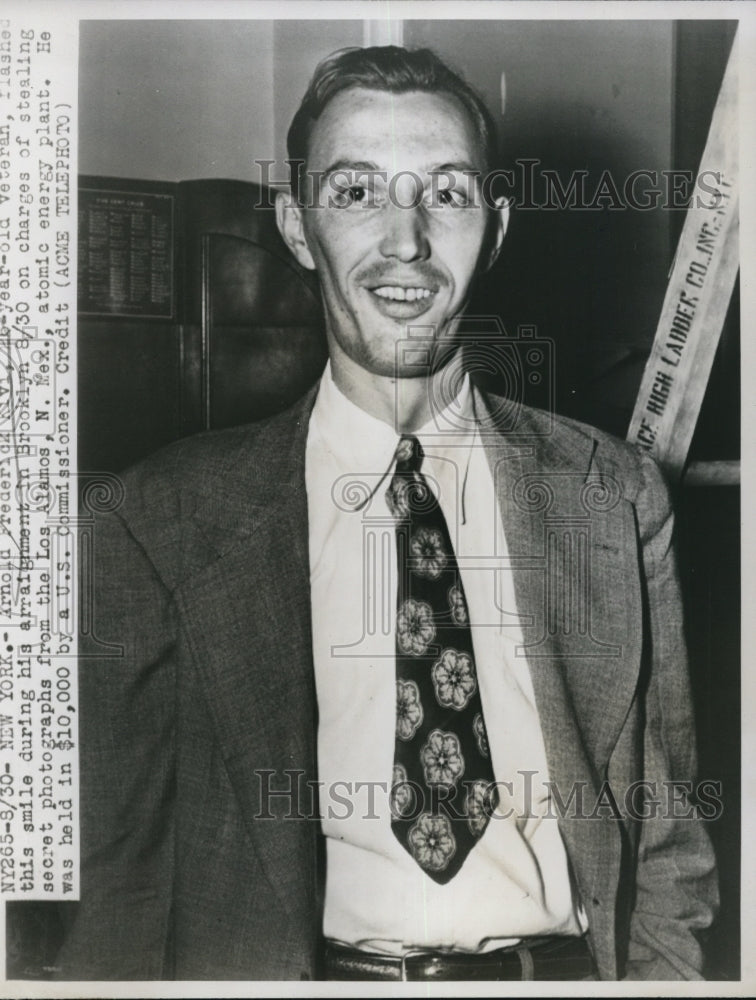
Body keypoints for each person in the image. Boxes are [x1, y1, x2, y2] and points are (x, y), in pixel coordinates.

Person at [57, 46, 717, 981]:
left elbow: (668, 847)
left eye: (446, 195)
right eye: (357, 191)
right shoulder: (160, 519)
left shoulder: (612, 495)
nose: (405, 241)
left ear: (492, 231)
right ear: (296, 226)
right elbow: (118, 891)